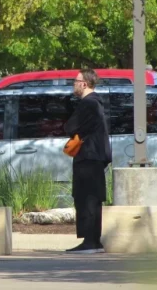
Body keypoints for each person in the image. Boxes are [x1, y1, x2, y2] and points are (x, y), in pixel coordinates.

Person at [63, 68, 112, 254]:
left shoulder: (87, 104)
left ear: (84, 84)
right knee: (93, 198)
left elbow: (70, 126)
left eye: (76, 81)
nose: (74, 84)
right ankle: (93, 240)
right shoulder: (97, 103)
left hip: (88, 156)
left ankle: (90, 242)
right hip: (95, 157)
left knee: (86, 198)